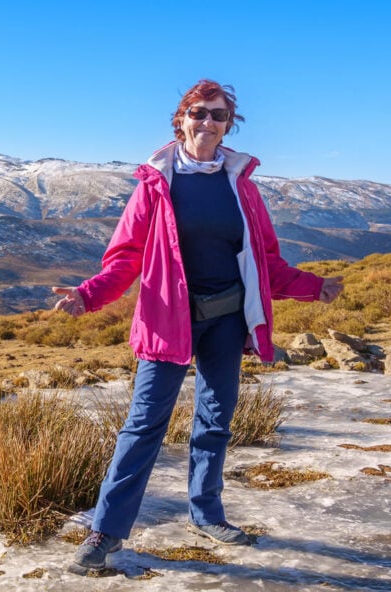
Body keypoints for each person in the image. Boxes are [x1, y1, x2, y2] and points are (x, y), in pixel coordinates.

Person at [52, 79, 344, 574]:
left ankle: (206, 512)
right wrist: (89, 295)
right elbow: (125, 258)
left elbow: (265, 261)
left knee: (215, 421)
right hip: (169, 321)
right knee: (143, 426)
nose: (207, 122)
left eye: (217, 115)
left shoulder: (242, 186)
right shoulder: (157, 184)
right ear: (180, 119)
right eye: (198, 113)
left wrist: (314, 286)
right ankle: (106, 530)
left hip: (228, 320)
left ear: (229, 124)